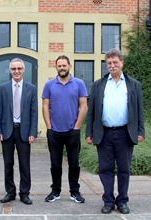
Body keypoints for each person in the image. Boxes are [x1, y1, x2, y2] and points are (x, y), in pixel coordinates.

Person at [86, 48, 145, 214]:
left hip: (125, 133)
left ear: (122, 63)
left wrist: (141, 130)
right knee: (105, 169)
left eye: (115, 62)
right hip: (104, 134)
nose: (112, 66)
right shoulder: (98, 85)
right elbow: (92, 111)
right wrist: (88, 132)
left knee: (124, 169)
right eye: (109, 63)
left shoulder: (134, 85)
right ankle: (108, 201)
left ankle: (123, 201)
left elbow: (139, 109)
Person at [42, 55, 88, 204]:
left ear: (69, 66)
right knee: (55, 164)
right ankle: (55, 191)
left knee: (74, 164)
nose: (62, 68)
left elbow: (84, 106)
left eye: (64, 65)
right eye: (59, 66)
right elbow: (45, 106)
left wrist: (77, 127)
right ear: (55, 67)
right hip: (54, 131)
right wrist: (49, 127)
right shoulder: (49, 85)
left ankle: (75, 191)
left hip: (72, 131)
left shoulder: (79, 84)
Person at [0, 58, 38, 205]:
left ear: (23, 70)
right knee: (8, 164)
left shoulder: (31, 88)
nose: (16, 71)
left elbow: (34, 112)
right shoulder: (3, 88)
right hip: (7, 131)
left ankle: (24, 193)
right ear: (10, 70)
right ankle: (10, 192)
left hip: (24, 131)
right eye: (13, 68)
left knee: (24, 164)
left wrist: (33, 132)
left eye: (19, 68)